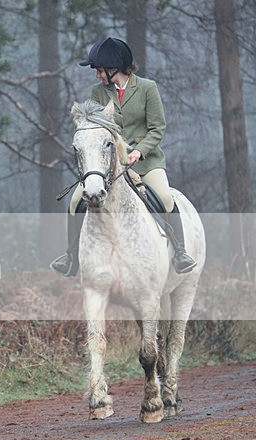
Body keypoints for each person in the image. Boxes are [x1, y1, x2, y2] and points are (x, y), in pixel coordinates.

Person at [50, 37, 196, 277]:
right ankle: (72, 256)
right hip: (111, 165)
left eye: (99, 70)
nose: (97, 75)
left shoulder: (148, 88)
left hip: (146, 162)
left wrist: (140, 150)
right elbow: (98, 131)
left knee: (166, 198)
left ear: (114, 68)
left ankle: (180, 252)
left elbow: (157, 128)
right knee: (75, 201)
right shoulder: (98, 93)